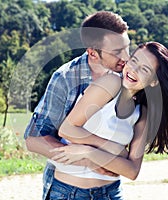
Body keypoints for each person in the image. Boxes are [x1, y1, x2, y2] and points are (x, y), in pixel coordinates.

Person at [49, 41, 168, 199]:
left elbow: (132, 171)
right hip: (70, 192)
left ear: (153, 82)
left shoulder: (142, 113)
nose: (134, 70)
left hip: (111, 193)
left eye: (145, 69)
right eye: (134, 61)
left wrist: (88, 152)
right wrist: (115, 149)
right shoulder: (110, 83)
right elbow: (68, 129)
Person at [24, 11, 130, 200]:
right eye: (116, 52)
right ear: (92, 52)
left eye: (127, 47)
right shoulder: (65, 78)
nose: (126, 57)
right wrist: (89, 161)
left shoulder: (128, 76)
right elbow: (33, 139)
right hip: (68, 192)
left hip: (112, 190)